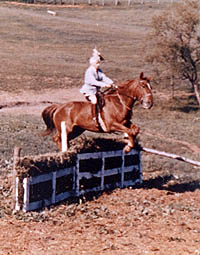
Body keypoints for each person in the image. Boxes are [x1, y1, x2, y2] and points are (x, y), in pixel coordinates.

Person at [80, 48, 114, 126]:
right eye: (97, 63)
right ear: (93, 63)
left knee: (104, 99)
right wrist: (104, 85)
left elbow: (104, 77)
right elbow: (93, 82)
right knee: (95, 101)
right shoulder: (89, 71)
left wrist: (111, 82)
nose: (98, 65)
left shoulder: (99, 71)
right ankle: (94, 117)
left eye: (99, 63)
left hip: (96, 91)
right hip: (89, 91)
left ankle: (102, 115)